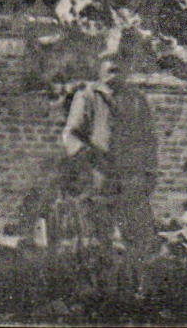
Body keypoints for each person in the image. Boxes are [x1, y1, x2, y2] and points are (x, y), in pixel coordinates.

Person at [60, 55, 158, 254]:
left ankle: (132, 280)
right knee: (97, 241)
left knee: (137, 242)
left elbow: (149, 140)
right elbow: (70, 135)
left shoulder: (137, 100)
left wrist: (149, 173)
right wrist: (88, 157)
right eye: (108, 62)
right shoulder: (88, 96)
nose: (113, 67)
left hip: (130, 181)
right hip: (99, 179)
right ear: (99, 67)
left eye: (118, 63)